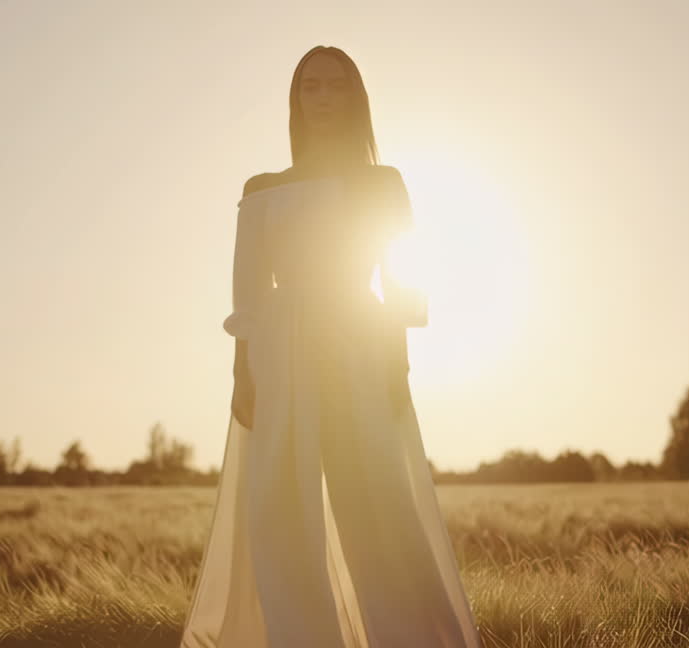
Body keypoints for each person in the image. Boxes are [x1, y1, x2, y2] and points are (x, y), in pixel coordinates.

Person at [179, 46, 485, 647]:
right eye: (310, 86)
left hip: (359, 342)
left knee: (378, 504)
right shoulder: (262, 188)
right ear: (295, 100)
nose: (322, 97)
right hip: (279, 350)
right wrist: (242, 376)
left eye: (335, 86)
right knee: (278, 511)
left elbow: (399, 279)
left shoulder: (382, 182)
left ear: (355, 98)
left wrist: (397, 365)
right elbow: (247, 293)